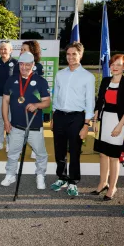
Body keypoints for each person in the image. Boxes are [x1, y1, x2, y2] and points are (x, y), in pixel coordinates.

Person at [50, 42, 95, 196]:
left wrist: (86, 125)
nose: (70, 57)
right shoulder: (60, 74)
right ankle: (62, 177)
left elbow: (90, 102)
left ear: (80, 55)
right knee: (59, 149)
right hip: (59, 116)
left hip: (77, 117)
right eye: (68, 54)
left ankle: (73, 181)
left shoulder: (88, 77)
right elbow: (55, 96)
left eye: (74, 54)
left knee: (75, 151)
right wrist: (53, 116)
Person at [0, 52, 50, 190]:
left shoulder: (40, 81)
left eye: (28, 64)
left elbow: (47, 102)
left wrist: (37, 105)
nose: (24, 67)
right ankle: (10, 174)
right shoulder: (11, 80)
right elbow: (5, 100)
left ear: (33, 65)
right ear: (19, 65)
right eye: (22, 64)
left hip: (34, 126)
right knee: (13, 153)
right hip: (16, 126)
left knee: (40, 153)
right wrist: (6, 120)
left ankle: (40, 175)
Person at [92, 54, 124, 200]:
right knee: (103, 154)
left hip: (118, 122)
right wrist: (95, 120)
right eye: (112, 64)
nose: (115, 67)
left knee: (113, 157)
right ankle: (102, 183)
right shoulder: (105, 81)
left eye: (118, 64)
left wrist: (119, 126)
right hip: (104, 121)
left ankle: (112, 187)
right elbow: (99, 102)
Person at [0, 41, 18, 152]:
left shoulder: (16, 63)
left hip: (11, 96)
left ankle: (9, 141)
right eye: (1, 49)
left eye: (5, 49)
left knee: (10, 118)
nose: (3, 51)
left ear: (10, 50)